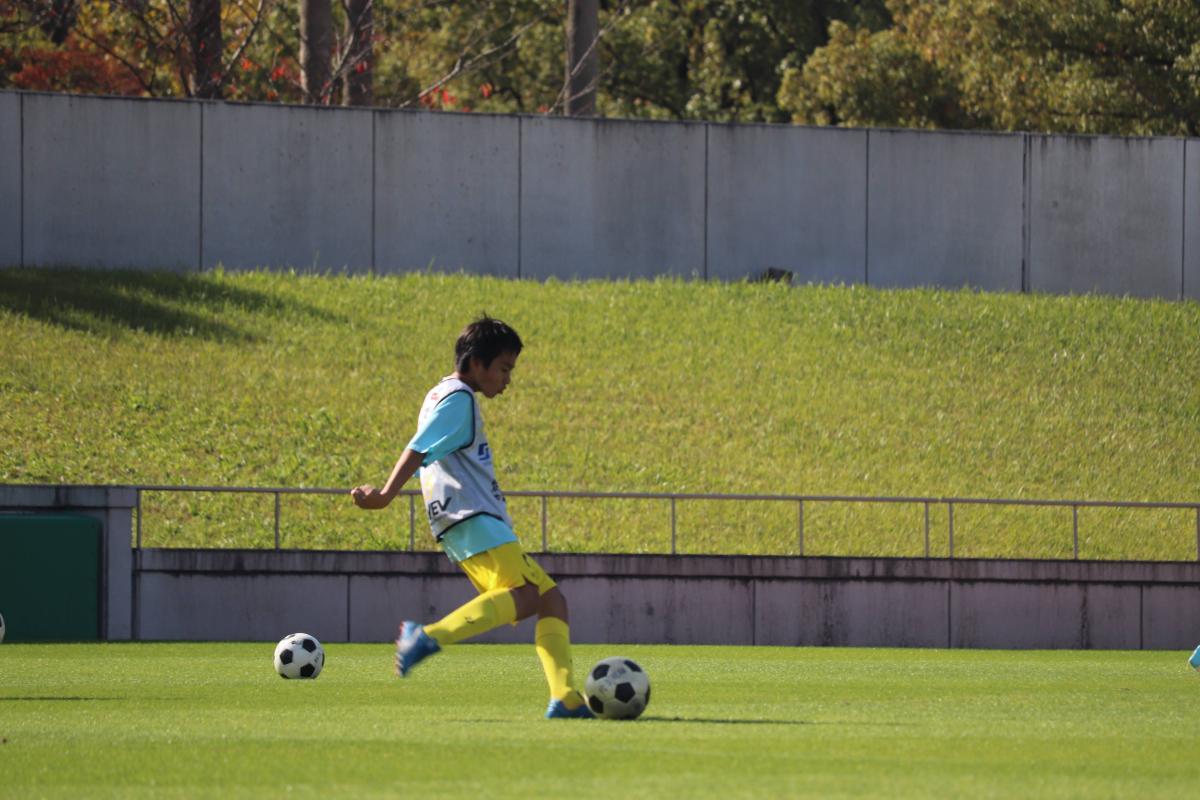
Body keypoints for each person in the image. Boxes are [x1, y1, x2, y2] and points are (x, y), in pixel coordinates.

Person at [351, 315, 593, 719]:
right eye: (504, 369)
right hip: (473, 516)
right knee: (528, 596)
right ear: (477, 363)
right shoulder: (459, 398)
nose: (508, 380)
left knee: (550, 599)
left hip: (465, 519)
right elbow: (418, 448)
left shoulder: (440, 393)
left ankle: (565, 697)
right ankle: (426, 636)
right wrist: (386, 496)